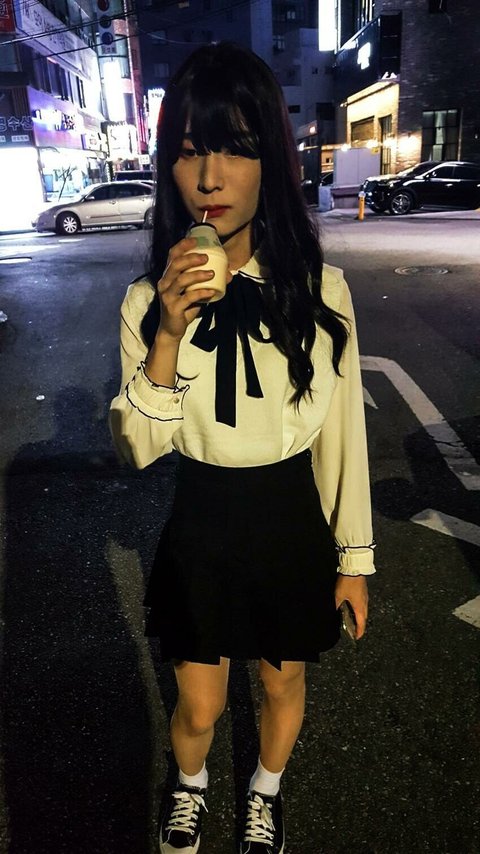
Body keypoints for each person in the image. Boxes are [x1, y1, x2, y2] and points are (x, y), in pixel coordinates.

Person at [109, 41, 376, 854]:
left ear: (273, 164)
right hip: (203, 517)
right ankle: (190, 786)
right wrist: (167, 334)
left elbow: (342, 434)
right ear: (169, 166)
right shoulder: (146, 300)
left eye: (235, 148)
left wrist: (354, 558)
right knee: (199, 705)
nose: (209, 177)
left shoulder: (321, 293)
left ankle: (265, 793)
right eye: (190, 151)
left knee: (281, 679)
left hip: (289, 514)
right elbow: (138, 449)